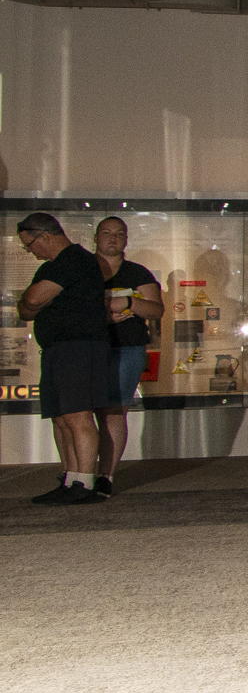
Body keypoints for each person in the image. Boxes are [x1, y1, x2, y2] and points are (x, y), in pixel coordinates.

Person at [16, 214, 115, 505]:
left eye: (29, 245)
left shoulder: (73, 260)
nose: (30, 251)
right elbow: (24, 309)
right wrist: (34, 300)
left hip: (78, 347)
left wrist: (37, 300)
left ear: (45, 236)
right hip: (59, 348)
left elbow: (32, 301)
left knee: (77, 415)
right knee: (61, 417)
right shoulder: (52, 267)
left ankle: (84, 482)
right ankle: (72, 478)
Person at [91, 217, 164, 486]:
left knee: (114, 410)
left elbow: (156, 310)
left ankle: (105, 476)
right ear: (96, 237)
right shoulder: (84, 270)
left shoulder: (138, 273)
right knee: (80, 412)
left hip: (127, 348)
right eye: (107, 233)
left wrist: (130, 303)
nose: (113, 238)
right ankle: (78, 473)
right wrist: (106, 315)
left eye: (119, 233)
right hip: (88, 348)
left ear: (126, 239)